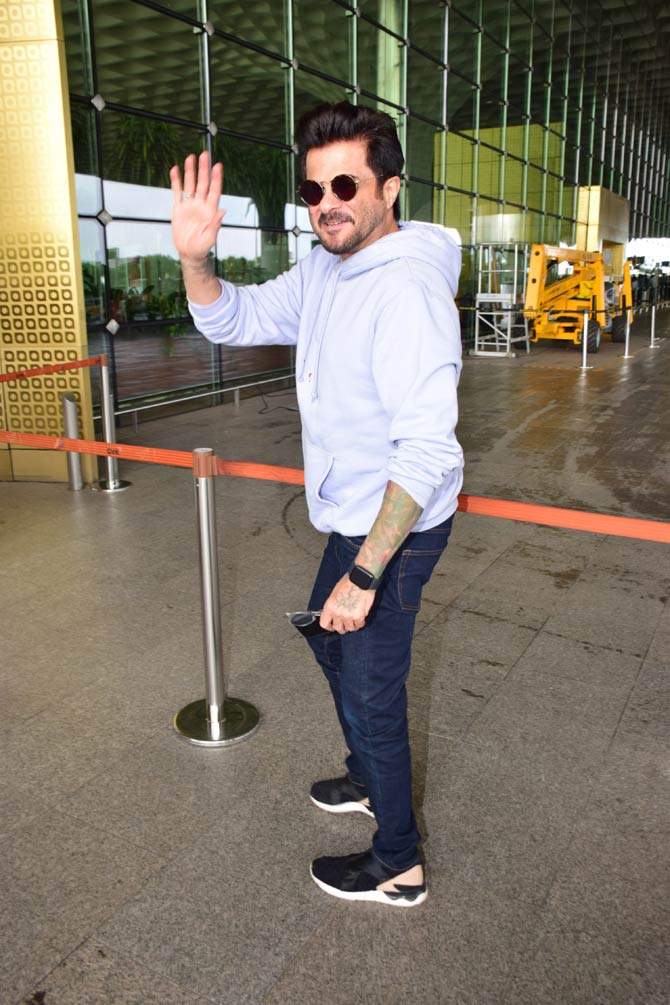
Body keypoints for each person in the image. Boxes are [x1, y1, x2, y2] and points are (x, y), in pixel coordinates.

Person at [170, 102, 463, 907]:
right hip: (351, 515)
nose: (326, 201)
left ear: (390, 188)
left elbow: (430, 450)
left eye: (345, 183)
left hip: (395, 529)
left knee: (370, 679)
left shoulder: (405, 292)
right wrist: (197, 259)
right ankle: (370, 776)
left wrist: (367, 574)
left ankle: (398, 861)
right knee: (328, 638)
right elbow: (236, 317)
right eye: (312, 188)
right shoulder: (327, 268)